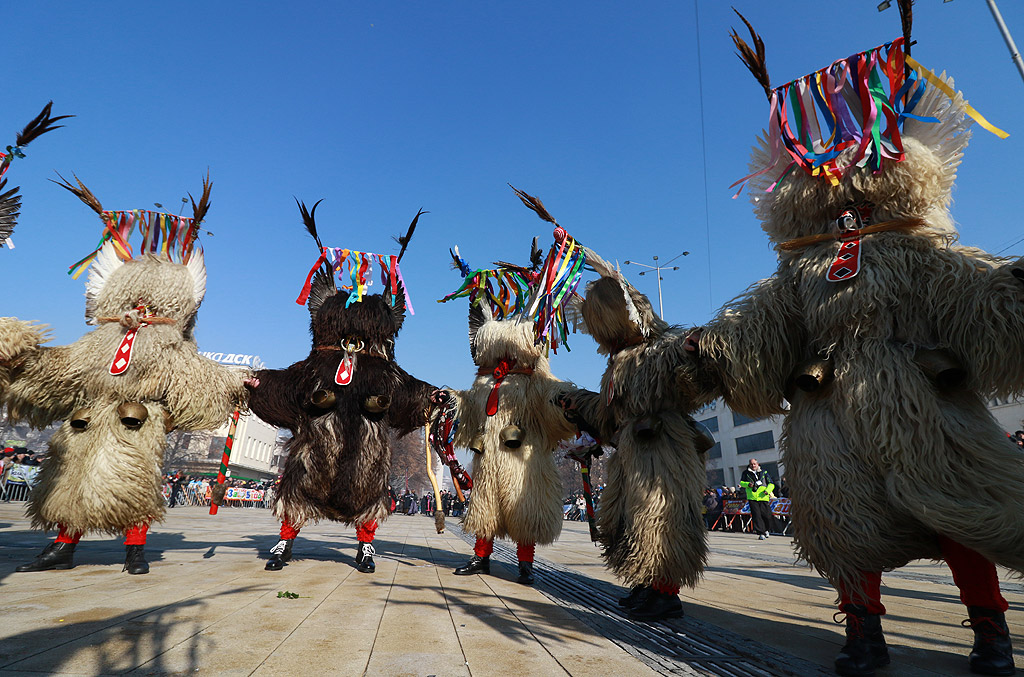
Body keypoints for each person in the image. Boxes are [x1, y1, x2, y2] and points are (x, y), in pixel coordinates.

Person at [740, 459, 777, 540]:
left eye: (754, 464)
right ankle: (761, 533)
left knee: (767, 515)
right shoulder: (745, 473)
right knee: (757, 516)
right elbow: (741, 483)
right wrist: (748, 484)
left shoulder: (764, 472)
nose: (753, 466)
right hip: (752, 497)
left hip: (763, 497)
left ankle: (767, 529)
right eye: (751, 464)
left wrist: (767, 491)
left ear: (757, 464)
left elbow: (771, 483)